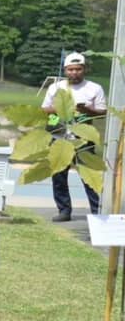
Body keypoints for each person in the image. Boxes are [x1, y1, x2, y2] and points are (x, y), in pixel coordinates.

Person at [41, 52, 107, 221]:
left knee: (89, 174)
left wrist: (87, 110)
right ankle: (64, 210)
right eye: (71, 70)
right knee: (58, 175)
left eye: (78, 69)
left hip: (84, 137)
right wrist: (62, 109)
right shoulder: (55, 87)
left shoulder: (94, 88)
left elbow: (102, 113)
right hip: (59, 135)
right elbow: (44, 110)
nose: (74, 73)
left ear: (84, 69)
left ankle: (97, 211)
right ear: (65, 70)